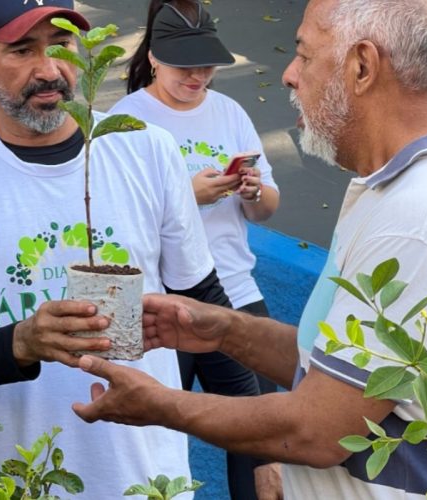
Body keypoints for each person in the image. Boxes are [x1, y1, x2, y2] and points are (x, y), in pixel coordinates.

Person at [71, 0, 427, 498]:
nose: (288, 75)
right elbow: (340, 370)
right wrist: (226, 329)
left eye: (305, 56)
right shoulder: (395, 190)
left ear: (361, 67)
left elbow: (315, 429)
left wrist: (159, 405)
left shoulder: (420, 220)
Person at [0, 0, 232, 497]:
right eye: (22, 49)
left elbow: (205, 307)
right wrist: (23, 342)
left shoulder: (146, 149)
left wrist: (261, 452)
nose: (50, 70)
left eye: (61, 44)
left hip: (148, 481)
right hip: (11, 482)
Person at [111, 1, 282, 498]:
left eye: (206, 64)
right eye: (185, 65)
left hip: (234, 289)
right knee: (152, 439)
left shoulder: (229, 112)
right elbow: (109, 222)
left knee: (258, 440)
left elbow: (268, 208)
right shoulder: (126, 121)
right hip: (159, 303)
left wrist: (252, 192)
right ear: (156, 58)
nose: (198, 75)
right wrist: (186, 196)